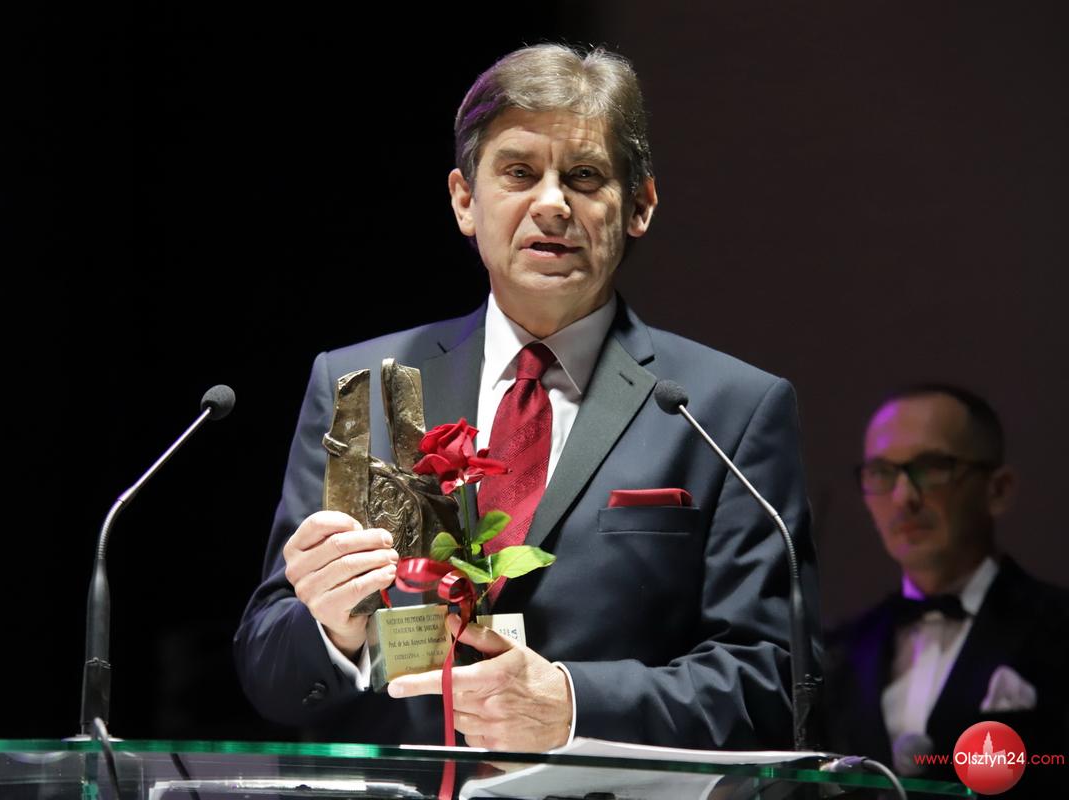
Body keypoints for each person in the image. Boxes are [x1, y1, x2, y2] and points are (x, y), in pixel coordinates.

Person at [235, 43, 819, 752]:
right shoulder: (360, 385)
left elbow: (774, 682)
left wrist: (572, 707)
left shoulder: (726, 409)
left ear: (639, 206)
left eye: (584, 176)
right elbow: (269, 674)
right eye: (518, 173)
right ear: (464, 201)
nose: (551, 204)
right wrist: (330, 629)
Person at [825, 385, 1069, 793]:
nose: (904, 497)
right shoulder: (838, 653)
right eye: (881, 472)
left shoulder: (1058, 627)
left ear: (997, 489)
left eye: (932, 466)